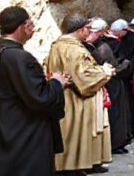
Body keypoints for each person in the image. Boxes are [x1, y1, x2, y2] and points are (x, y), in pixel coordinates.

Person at [0, 6, 68, 176]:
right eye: (30, 24)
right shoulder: (19, 57)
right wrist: (57, 83)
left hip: (0, 128)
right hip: (21, 132)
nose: (33, 29)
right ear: (22, 26)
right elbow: (40, 97)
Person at [46, 13, 114, 175]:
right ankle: (71, 168)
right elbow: (84, 79)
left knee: (67, 133)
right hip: (75, 100)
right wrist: (105, 72)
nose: (89, 32)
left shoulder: (57, 46)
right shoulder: (74, 49)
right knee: (74, 134)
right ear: (80, 29)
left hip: (63, 96)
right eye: (87, 29)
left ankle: (70, 167)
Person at [94, 19, 132, 154]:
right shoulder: (105, 46)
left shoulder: (101, 45)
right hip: (112, 82)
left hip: (106, 81)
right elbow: (114, 65)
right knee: (116, 114)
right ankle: (116, 143)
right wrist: (125, 65)